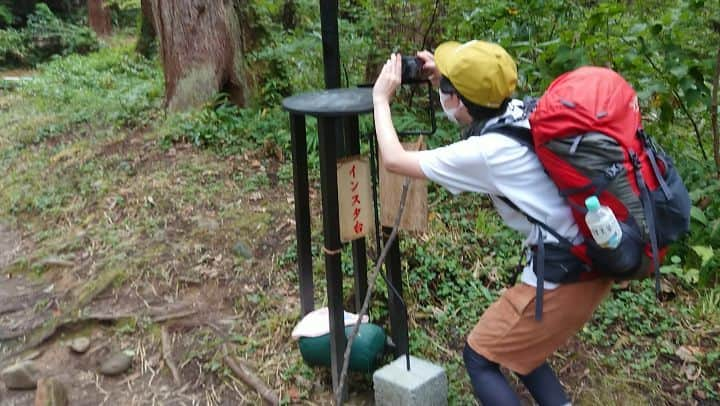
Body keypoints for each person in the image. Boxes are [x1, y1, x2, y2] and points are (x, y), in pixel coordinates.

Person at [372, 40, 614, 406]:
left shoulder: (484, 153)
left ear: (461, 102)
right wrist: (445, 79)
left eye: (450, 90)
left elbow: (393, 159)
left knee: (480, 355)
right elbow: (478, 98)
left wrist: (380, 98)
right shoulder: (519, 110)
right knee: (523, 352)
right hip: (590, 257)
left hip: (564, 277)